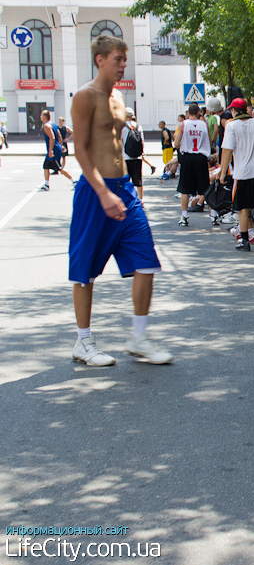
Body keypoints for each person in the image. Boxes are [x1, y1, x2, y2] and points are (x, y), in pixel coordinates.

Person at [68, 34, 172, 367]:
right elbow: (80, 149)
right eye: (118, 59)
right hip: (95, 191)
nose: (123, 65)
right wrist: (102, 192)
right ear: (100, 60)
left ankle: (139, 338)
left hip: (124, 187)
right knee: (85, 271)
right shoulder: (85, 96)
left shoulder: (117, 97)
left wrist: (118, 190)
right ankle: (83, 342)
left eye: (125, 59)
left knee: (147, 260)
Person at [218, 98, 254, 251]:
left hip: (241, 173)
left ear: (234, 111)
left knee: (242, 207)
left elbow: (227, 150)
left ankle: (244, 241)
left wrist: (223, 172)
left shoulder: (231, 126)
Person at [174, 102, 212, 227]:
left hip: (188, 157)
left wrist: (182, 145)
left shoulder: (183, 124)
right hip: (201, 157)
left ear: (188, 113)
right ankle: (214, 215)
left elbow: (176, 143)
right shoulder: (204, 124)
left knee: (185, 189)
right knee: (205, 188)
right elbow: (209, 141)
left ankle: (184, 216)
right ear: (198, 113)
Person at [121, 108, 153, 199]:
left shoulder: (122, 127)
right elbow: (142, 141)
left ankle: (126, 198)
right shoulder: (138, 126)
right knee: (138, 180)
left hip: (125, 157)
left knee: (126, 180)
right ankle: (140, 199)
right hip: (137, 157)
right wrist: (142, 153)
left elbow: (120, 141)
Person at [39, 110, 75, 190]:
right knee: (45, 166)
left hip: (53, 150)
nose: (40, 117)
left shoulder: (47, 126)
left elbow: (53, 137)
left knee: (59, 168)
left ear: (45, 117)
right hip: (56, 148)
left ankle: (74, 181)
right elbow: (59, 135)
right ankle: (46, 185)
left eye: (41, 115)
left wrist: (51, 150)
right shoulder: (53, 125)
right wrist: (61, 145)